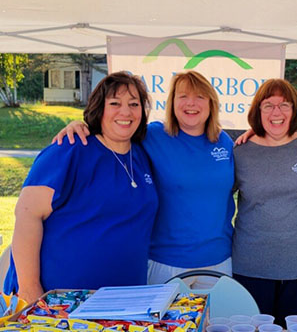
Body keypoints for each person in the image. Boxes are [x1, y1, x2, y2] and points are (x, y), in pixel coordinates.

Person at [53, 71, 236, 284]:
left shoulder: (224, 142)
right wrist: (80, 125)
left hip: (219, 260)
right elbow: (113, 131)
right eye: (183, 96)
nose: (191, 103)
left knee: (216, 318)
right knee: (163, 319)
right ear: (172, 102)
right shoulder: (152, 135)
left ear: (211, 103)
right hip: (165, 262)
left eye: (200, 97)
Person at [5, 72, 158, 303]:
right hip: (59, 302)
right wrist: (29, 289)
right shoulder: (72, 148)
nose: (125, 112)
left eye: (134, 104)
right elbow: (27, 215)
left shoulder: (142, 155)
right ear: (99, 108)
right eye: (114, 103)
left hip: (123, 302)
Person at [232, 79, 297, 326]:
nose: (276, 112)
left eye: (284, 105)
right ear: (257, 111)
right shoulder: (240, 152)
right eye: (268, 105)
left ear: (294, 110)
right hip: (251, 263)